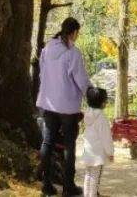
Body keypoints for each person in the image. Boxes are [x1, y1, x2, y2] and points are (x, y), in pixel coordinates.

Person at [37, 16, 91, 196]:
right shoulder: (73, 53)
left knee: (48, 142)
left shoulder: (47, 49)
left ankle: (46, 184)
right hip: (67, 107)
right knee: (69, 146)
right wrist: (92, 94)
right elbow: (81, 80)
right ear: (74, 32)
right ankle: (68, 187)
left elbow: (42, 73)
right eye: (77, 33)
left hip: (47, 103)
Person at [80, 86, 114, 197]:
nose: (106, 102)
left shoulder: (88, 114)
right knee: (95, 176)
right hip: (97, 153)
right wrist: (110, 153)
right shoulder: (102, 118)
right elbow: (106, 138)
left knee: (88, 174)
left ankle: (86, 195)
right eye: (105, 99)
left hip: (88, 151)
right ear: (102, 102)